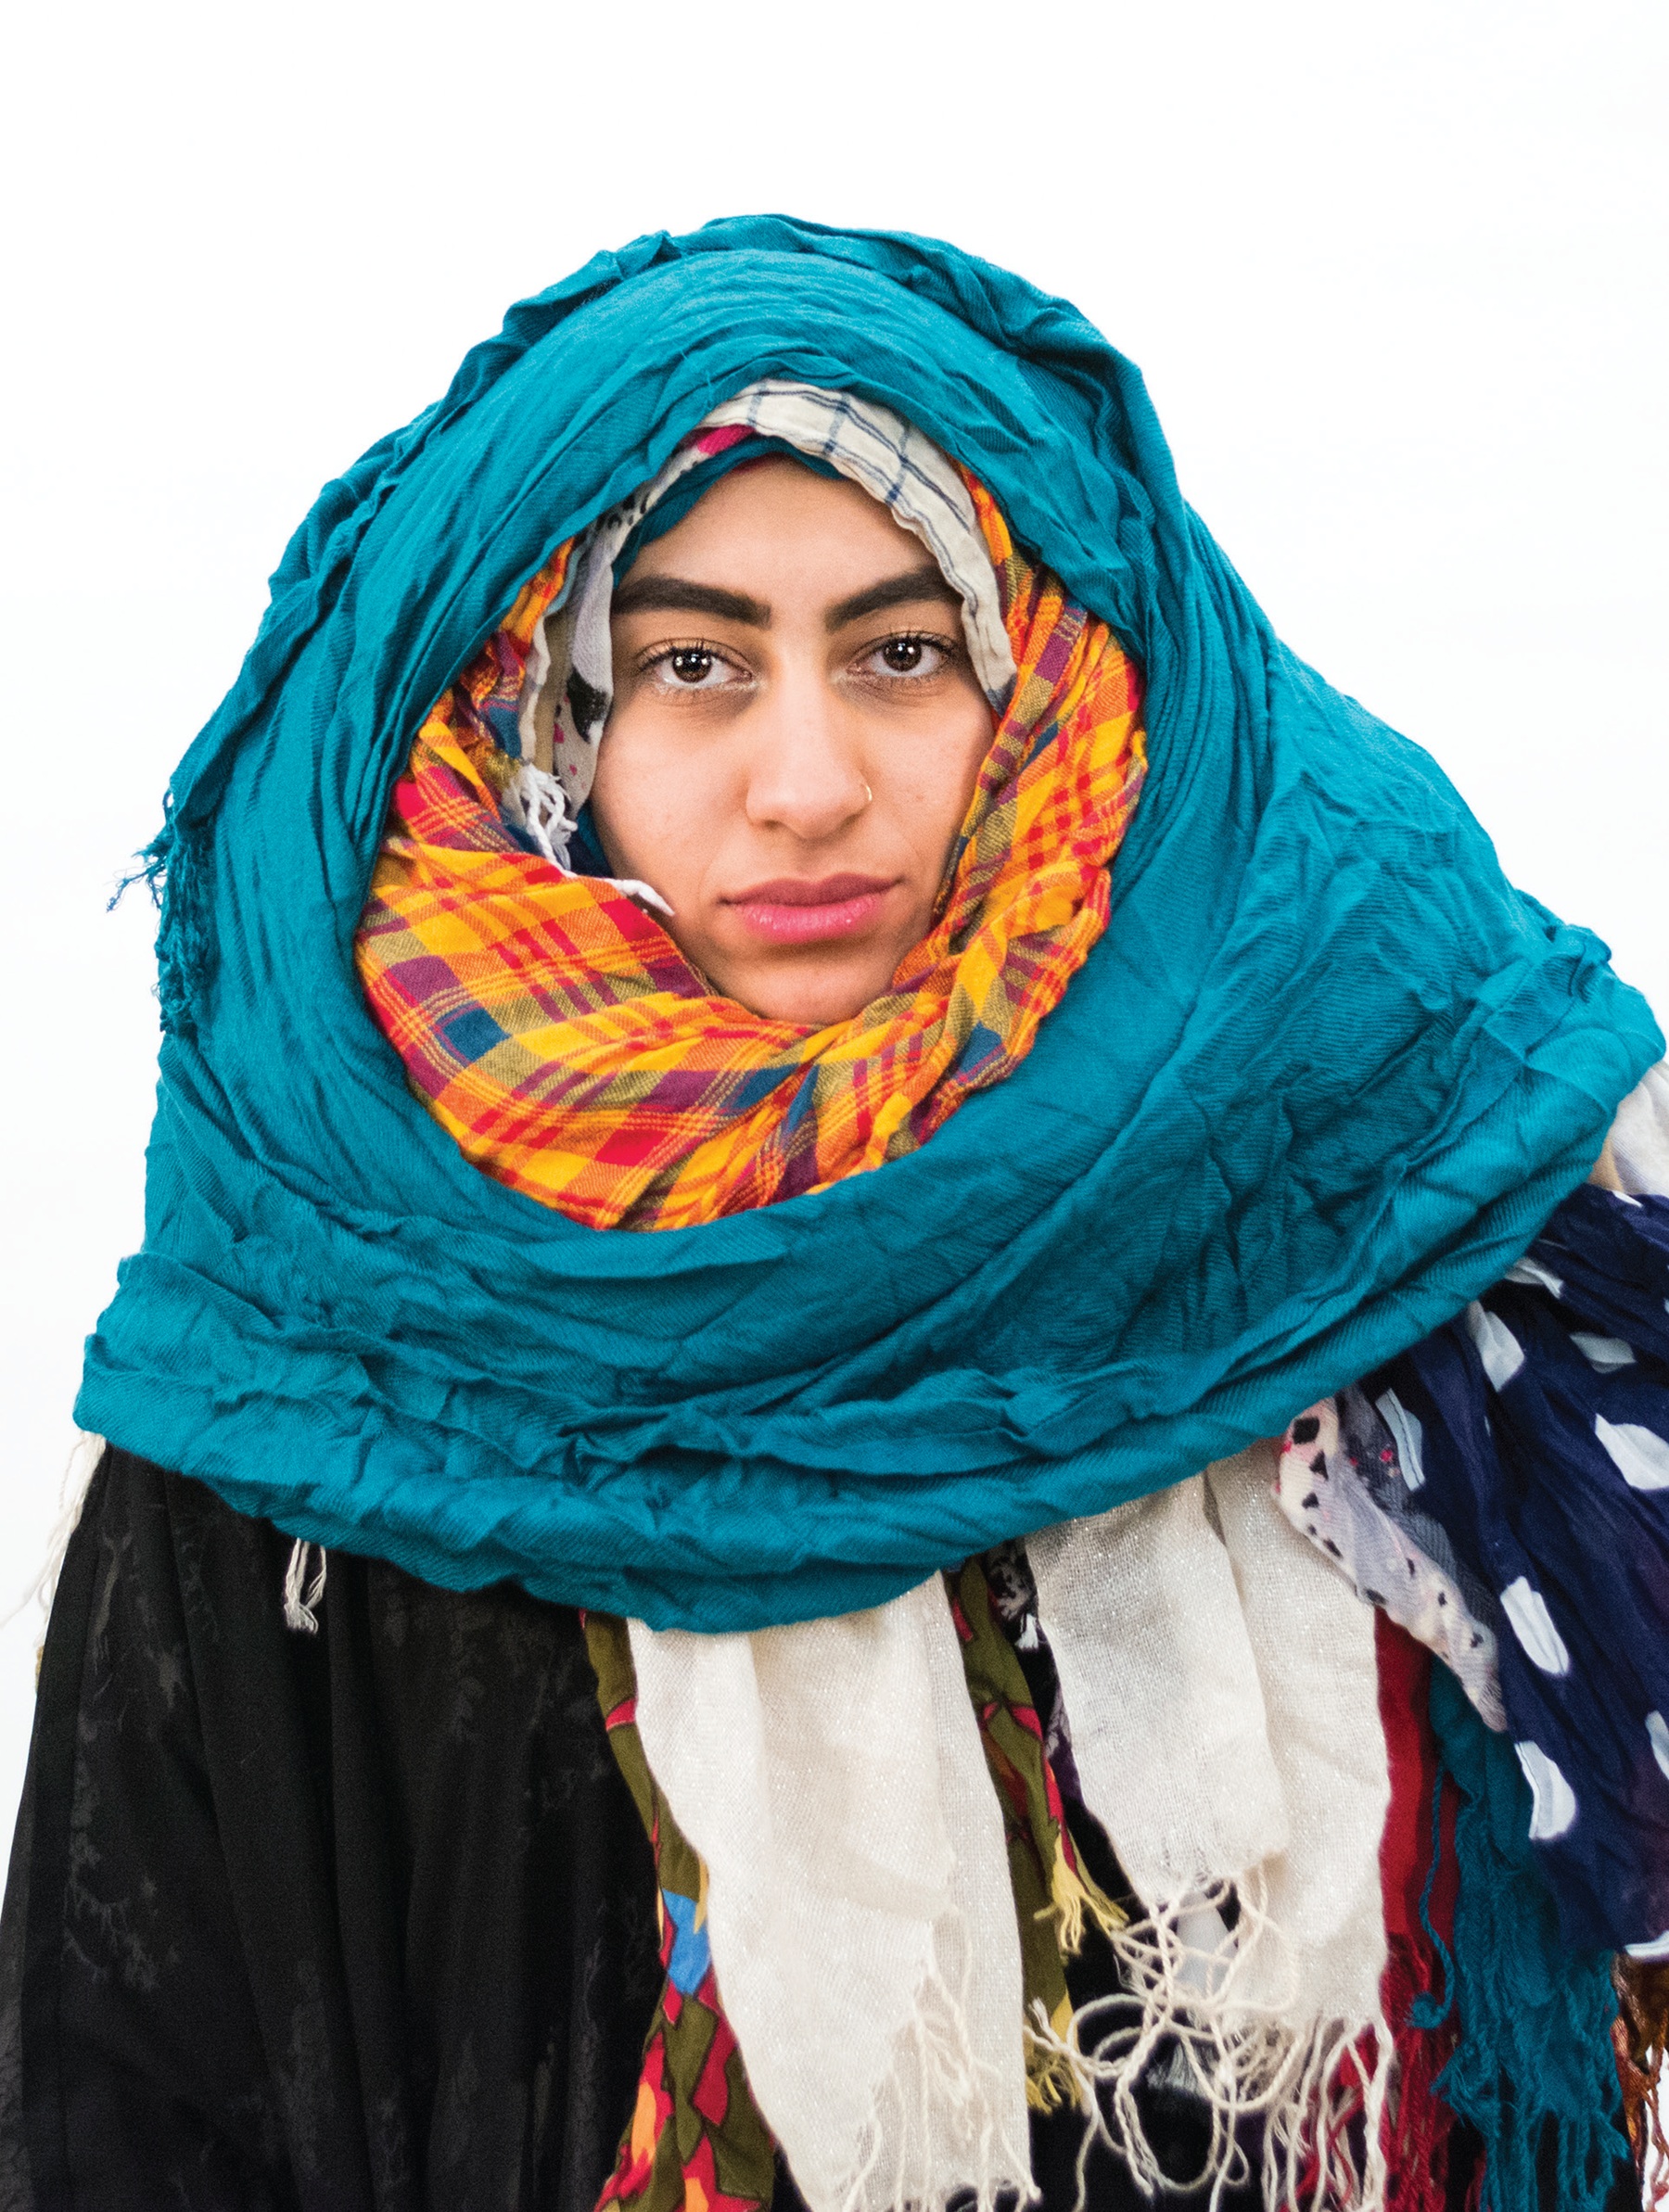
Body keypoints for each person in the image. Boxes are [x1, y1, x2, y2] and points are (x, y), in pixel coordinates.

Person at [1, 217, 1664, 2212]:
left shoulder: (1371, 1190)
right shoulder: (309, 1366)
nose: (808, 783)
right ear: (541, 730)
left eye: (901, 653)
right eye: (691, 664)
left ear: (1041, 692)